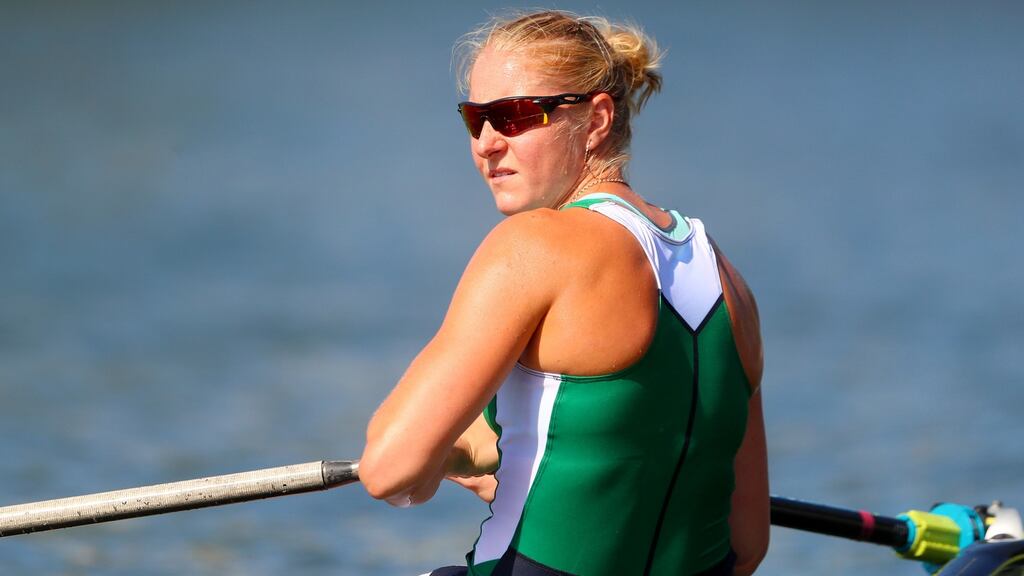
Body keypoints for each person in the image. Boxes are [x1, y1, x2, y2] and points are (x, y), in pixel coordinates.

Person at [359, 10, 769, 576]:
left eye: (515, 116)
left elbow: (388, 470)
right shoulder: (729, 282)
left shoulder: (535, 245)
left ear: (596, 119)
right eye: (475, 118)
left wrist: (444, 459)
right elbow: (746, 545)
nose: (486, 143)